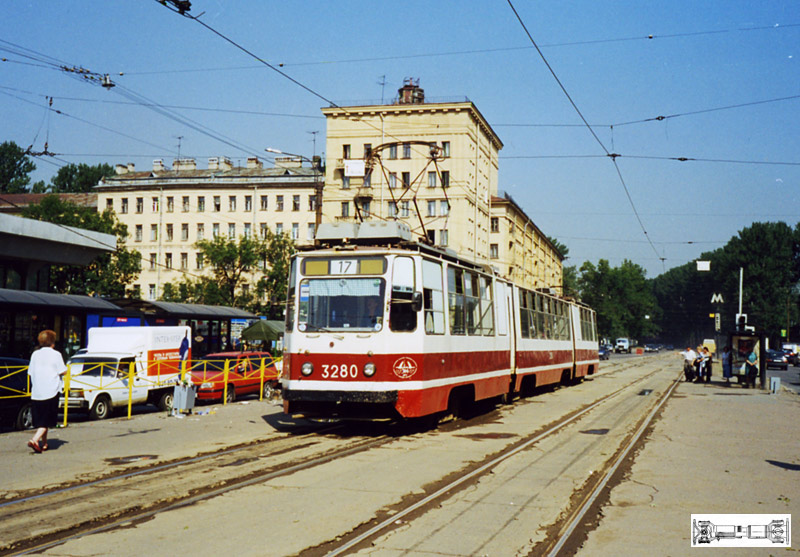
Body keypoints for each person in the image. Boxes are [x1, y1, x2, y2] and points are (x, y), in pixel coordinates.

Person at [27, 330, 67, 453]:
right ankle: (35, 440)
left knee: (41, 419)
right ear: (53, 343)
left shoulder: (35, 354)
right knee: (47, 420)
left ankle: (44, 443)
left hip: (37, 392)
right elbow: (63, 371)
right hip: (51, 391)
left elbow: (30, 372)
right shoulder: (56, 355)